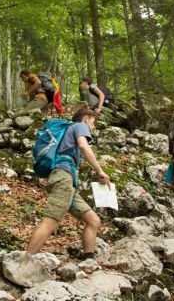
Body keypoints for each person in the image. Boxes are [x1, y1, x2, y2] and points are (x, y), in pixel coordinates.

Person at [27, 108, 111, 260]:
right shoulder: (79, 126)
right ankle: (24, 261)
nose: (94, 126)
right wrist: (100, 171)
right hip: (63, 178)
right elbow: (84, 147)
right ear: (86, 118)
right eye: (93, 122)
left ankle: (89, 260)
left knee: (93, 220)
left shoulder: (70, 130)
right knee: (50, 221)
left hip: (68, 181)